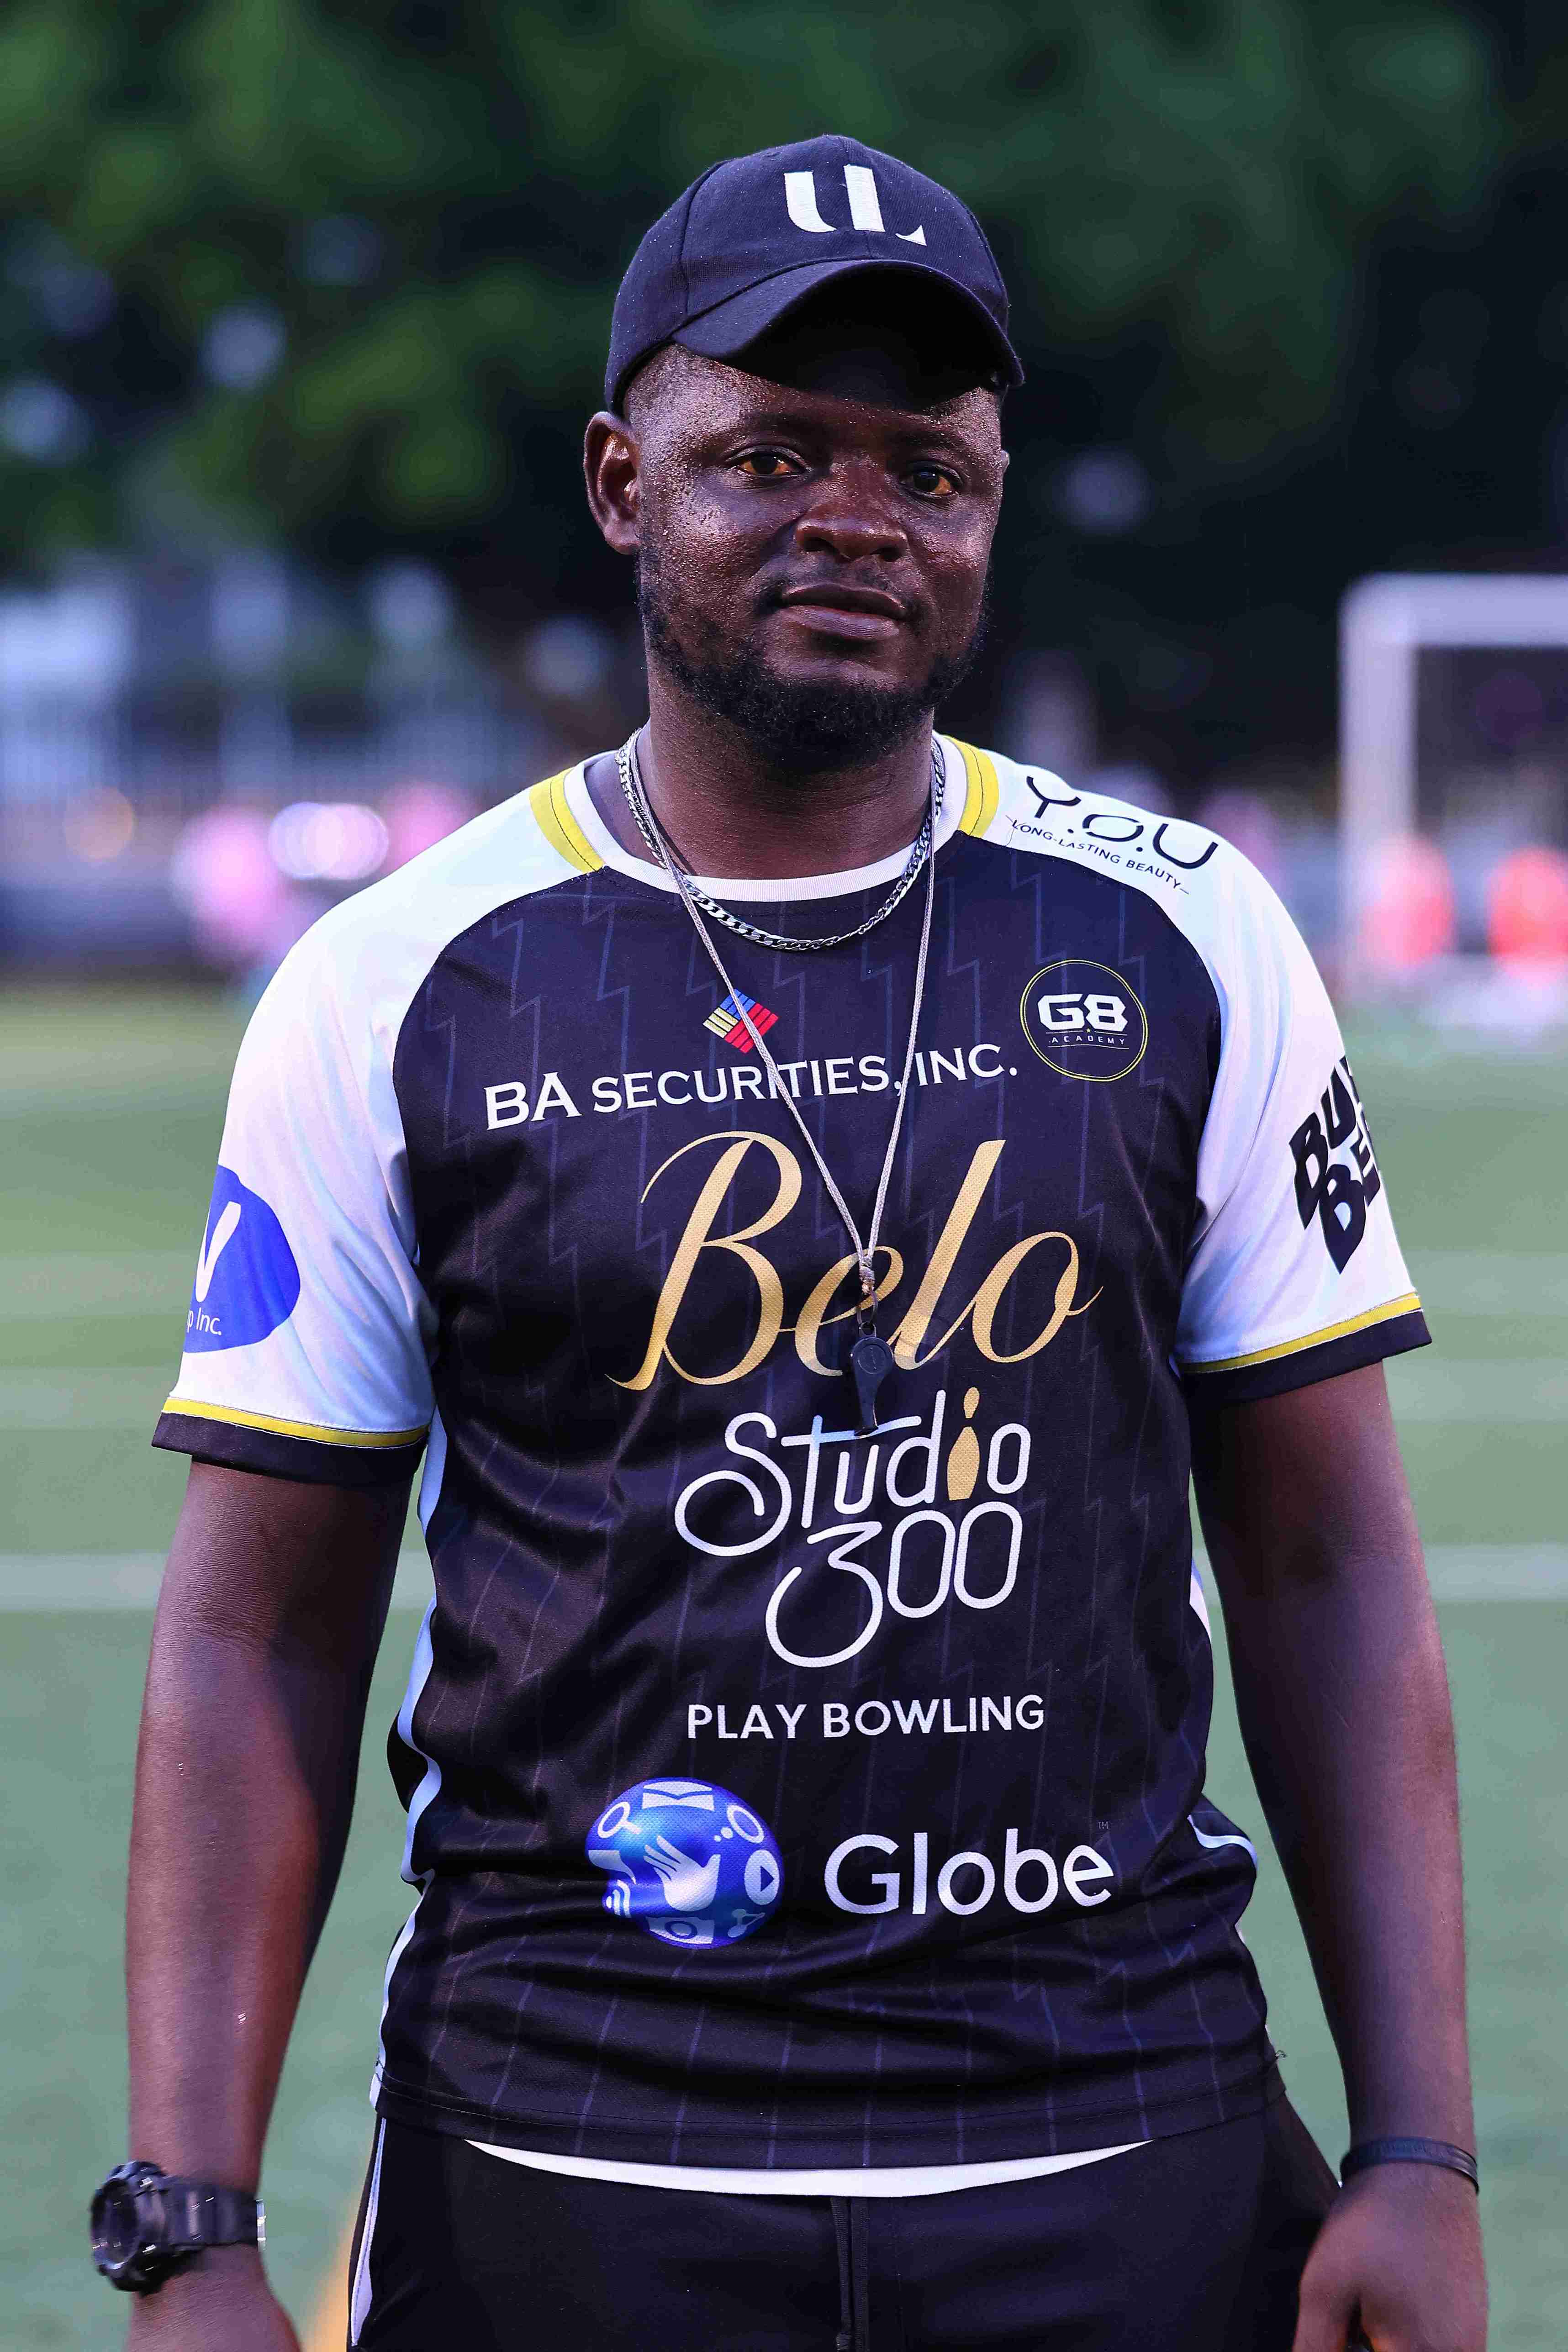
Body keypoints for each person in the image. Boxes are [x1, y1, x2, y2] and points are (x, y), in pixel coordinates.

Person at [98, 136, 1486, 2350]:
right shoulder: (399, 981)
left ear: (991, 512)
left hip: (1113, 2143)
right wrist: (190, 2228)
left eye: (927, 471)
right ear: (620, 483)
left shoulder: (1190, 932)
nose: (857, 517)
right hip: (566, 2163)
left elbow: (1328, 1562)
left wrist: (1419, 2150)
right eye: (768, 454)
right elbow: (257, 1629)